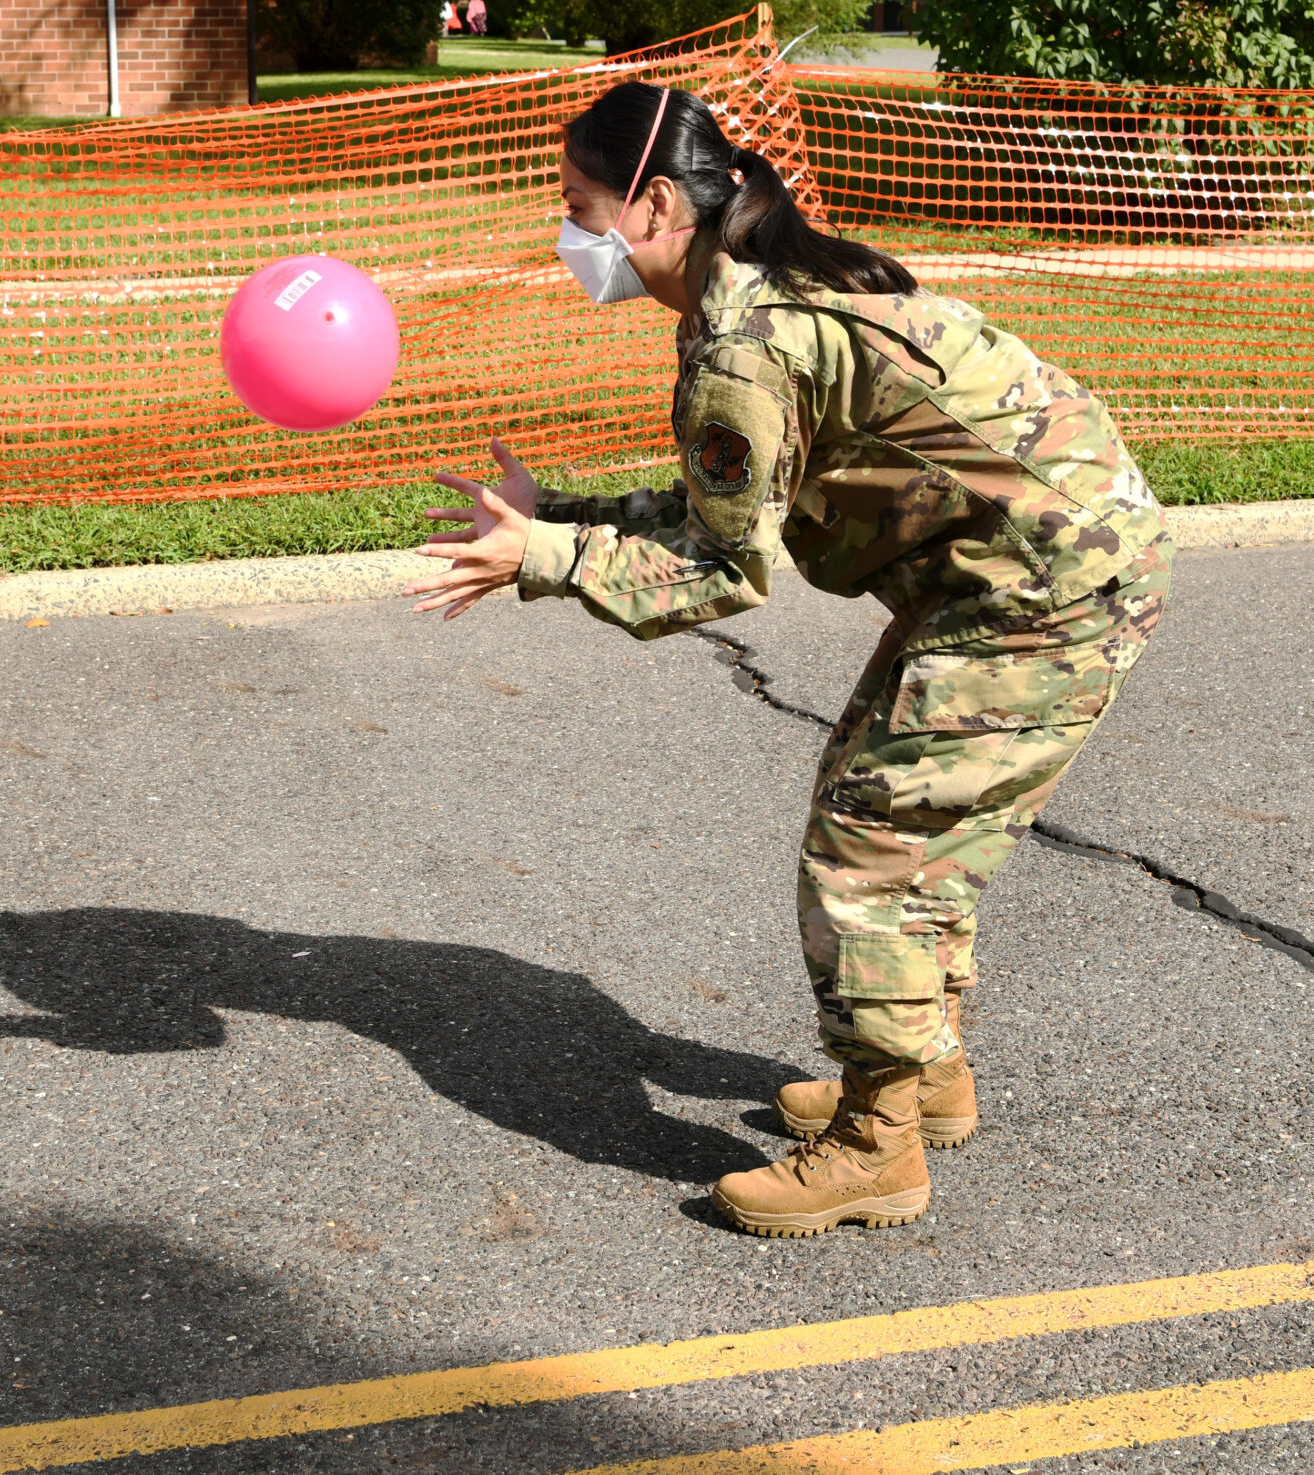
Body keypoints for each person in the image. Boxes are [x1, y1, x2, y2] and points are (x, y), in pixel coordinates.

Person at [406, 81, 1169, 1239]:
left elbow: (723, 572)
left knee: (870, 852)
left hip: (1044, 590)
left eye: (578, 207)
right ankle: (926, 1077)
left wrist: (548, 559)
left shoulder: (739, 342)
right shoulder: (746, 296)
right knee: (902, 827)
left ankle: (878, 1147)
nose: (567, 237)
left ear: (655, 203)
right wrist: (553, 514)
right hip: (1024, 566)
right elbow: (723, 506)